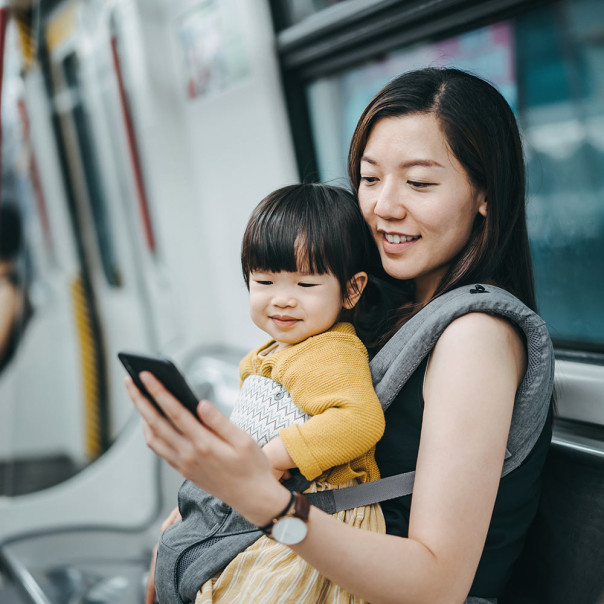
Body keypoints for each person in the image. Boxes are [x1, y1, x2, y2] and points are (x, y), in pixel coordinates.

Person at [126, 67, 554, 604]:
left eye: (419, 182)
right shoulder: (376, 306)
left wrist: (267, 505)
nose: (383, 206)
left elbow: (435, 583)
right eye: (370, 179)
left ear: (485, 195)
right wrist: (186, 531)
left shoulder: (475, 337)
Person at [148, 183, 386, 603]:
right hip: (269, 507)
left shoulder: (331, 348)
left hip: (321, 517)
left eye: (305, 284)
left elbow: (359, 420)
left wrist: (270, 458)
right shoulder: (263, 357)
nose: (282, 300)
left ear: (351, 289)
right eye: (264, 281)